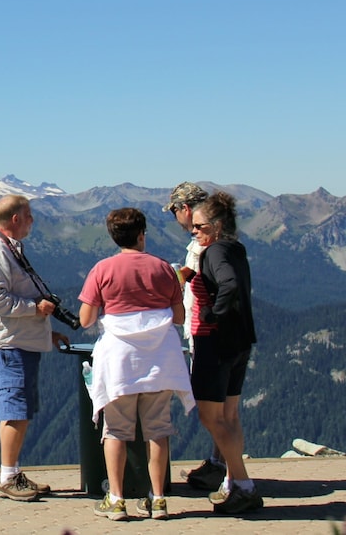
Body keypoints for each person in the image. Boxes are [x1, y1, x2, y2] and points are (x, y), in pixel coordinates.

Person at [77, 208, 195, 521]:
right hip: (161, 357)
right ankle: (157, 499)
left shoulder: (102, 269)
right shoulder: (164, 269)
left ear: (114, 236)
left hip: (120, 360)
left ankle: (115, 499)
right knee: (157, 429)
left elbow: (86, 318)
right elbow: (179, 317)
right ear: (142, 234)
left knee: (115, 430)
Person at [0, 194, 70, 502]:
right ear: (15, 219)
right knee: (13, 409)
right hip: (8, 343)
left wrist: (46, 332)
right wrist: (34, 309)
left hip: (21, 341)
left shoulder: (10, 250)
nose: (33, 220)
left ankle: (12, 473)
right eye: (29, 215)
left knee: (20, 409)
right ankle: (8, 476)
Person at [189, 191, 263, 513]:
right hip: (240, 342)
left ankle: (244, 485)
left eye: (199, 227)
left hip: (215, 344)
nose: (194, 232)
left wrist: (211, 313)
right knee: (230, 417)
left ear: (217, 226)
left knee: (210, 417)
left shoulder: (214, 252)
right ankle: (234, 483)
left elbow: (229, 284)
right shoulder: (235, 248)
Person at [163, 182, 227, 491]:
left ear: (184, 209)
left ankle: (223, 467)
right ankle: (221, 463)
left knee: (213, 404)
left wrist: (166, 279)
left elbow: (196, 274)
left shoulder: (204, 241)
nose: (175, 217)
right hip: (211, 330)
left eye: (174, 210)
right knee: (221, 402)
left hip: (208, 331)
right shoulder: (214, 236)